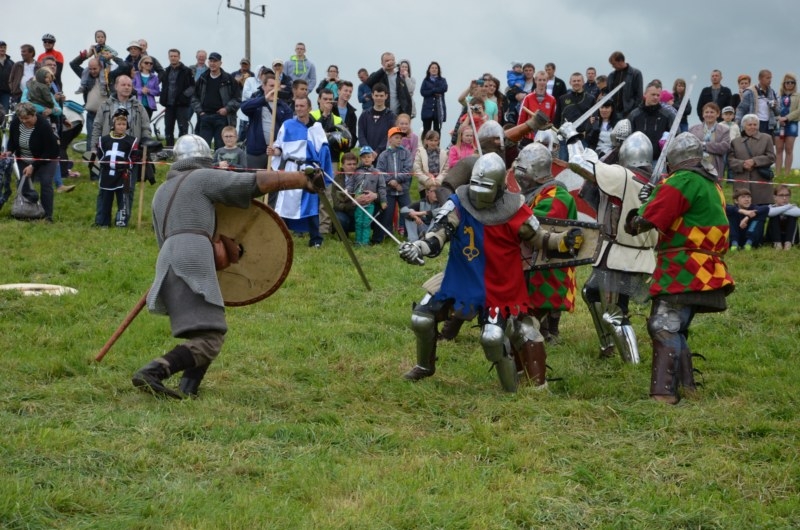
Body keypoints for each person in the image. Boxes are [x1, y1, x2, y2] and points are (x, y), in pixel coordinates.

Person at [131, 134, 321, 398]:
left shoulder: (161, 192)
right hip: (193, 254)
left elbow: (161, 237)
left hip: (167, 257)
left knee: (206, 329)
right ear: (204, 158)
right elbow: (250, 183)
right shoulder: (202, 177)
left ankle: (189, 389)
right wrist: (301, 180)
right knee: (212, 338)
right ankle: (154, 371)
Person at [398, 152, 584, 391]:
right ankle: (425, 366)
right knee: (421, 318)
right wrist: (418, 247)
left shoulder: (515, 207)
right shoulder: (458, 202)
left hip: (499, 283)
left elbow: (539, 238)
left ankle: (511, 389)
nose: (478, 194)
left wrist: (563, 241)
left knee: (493, 338)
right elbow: (438, 235)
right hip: (461, 277)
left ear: (499, 187)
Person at [624, 133, 734, 404]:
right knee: (676, 325)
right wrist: (656, 194)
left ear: (672, 160)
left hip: (685, 265)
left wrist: (640, 211)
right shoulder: (710, 183)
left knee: (663, 324)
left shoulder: (683, 180)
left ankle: (663, 394)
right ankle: (687, 387)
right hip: (705, 265)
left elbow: (643, 222)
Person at [564, 127, 658, 362]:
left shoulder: (622, 176)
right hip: (624, 253)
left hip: (621, 256)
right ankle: (607, 346)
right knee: (591, 293)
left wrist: (572, 137)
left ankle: (632, 365)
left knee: (615, 314)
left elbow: (578, 164)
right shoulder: (651, 181)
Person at [513, 143, 578, 344]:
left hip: (551, 258)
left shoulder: (556, 194)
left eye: (523, 170)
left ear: (535, 170)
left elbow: (539, 222)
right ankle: (545, 329)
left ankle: (550, 331)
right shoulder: (537, 192)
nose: (519, 175)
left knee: (545, 295)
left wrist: (512, 215)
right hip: (534, 256)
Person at [267, 96, 333, 248]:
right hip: (291, 169)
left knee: (311, 204)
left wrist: (322, 170)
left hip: (309, 170)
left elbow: (324, 150)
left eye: (302, 106)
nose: (298, 109)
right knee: (284, 204)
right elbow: (280, 147)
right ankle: (280, 237)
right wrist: (274, 151)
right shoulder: (287, 125)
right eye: (296, 106)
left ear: (309, 108)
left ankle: (315, 239)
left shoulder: (316, 128)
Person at [4, 102, 59, 221]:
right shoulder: (15, 123)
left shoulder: (44, 126)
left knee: (46, 183)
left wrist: (33, 166)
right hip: (24, 158)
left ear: (34, 114)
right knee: (23, 184)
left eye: (27, 118)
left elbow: (50, 150)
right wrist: (9, 151)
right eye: (21, 118)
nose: (24, 121)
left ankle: (47, 216)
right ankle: (26, 212)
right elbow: (12, 141)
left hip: (46, 159)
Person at [240, 70, 292, 172]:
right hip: (256, 152)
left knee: (273, 181)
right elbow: (244, 107)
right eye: (271, 86)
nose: (274, 89)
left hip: (275, 152)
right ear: (263, 86)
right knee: (254, 179)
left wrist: (278, 149)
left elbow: (287, 130)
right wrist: (264, 99)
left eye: (276, 86)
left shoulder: (284, 107)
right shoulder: (256, 101)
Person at [95, 109, 138, 227]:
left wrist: (127, 166)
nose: (121, 127)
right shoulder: (104, 140)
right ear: (113, 124)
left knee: (124, 199)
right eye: (119, 124)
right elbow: (100, 154)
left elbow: (133, 157)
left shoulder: (131, 141)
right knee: (105, 199)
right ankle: (103, 222)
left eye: (124, 124)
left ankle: (121, 222)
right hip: (107, 174)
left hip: (124, 175)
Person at [191, 52, 241, 151]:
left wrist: (227, 109)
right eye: (210, 61)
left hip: (222, 118)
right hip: (205, 117)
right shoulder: (202, 78)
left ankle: (219, 162)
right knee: (203, 148)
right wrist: (200, 111)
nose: (212, 63)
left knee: (221, 148)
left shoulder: (229, 79)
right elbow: (194, 97)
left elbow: (237, 99)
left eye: (215, 61)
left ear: (220, 63)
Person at [728, 114, 776, 206]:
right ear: (744, 126)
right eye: (749, 125)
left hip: (761, 183)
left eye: (755, 124)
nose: (752, 127)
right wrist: (742, 164)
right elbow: (730, 160)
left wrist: (754, 161)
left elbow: (771, 157)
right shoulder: (735, 142)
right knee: (742, 210)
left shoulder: (767, 138)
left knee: (761, 210)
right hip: (742, 182)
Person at [375, 126, 412, 242]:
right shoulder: (383, 155)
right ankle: (386, 236)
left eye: (400, 138)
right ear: (389, 139)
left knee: (407, 211)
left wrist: (397, 181)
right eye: (396, 137)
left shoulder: (406, 153)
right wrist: (391, 182)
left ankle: (409, 235)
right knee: (387, 213)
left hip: (403, 189)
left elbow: (408, 170)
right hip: (389, 190)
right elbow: (380, 171)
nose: (399, 140)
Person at [348, 147, 386, 246]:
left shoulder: (377, 172)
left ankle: (365, 242)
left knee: (366, 222)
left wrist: (383, 201)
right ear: (360, 158)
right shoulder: (356, 172)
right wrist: (348, 192)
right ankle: (358, 241)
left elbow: (382, 188)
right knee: (359, 221)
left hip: (370, 203)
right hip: (358, 203)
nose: (366, 159)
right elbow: (351, 184)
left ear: (373, 158)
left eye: (369, 157)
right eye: (364, 157)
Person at [628, 83, 674, 163]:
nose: (656, 97)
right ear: (645, 94)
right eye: (653, 94)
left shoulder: (667, 115)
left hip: (659, 160)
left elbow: (675, 134)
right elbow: (628, 137)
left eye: (658, 95)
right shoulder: (634, 115)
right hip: (637, 160)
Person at [158, 49, 195, 147]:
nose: (173, 58)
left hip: (182, 105)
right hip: (169, 105)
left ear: (179, 57)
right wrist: (163, 95)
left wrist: (184, 96)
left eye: (175, 56)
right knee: (168, 128)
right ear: (168, 57)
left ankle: (182, 149)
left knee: (183, 128)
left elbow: (193, 87)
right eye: (171, 56)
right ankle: (169, 149)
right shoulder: (166, 71)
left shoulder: (187, 71)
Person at [689, 103, 730, 181]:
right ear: (703, 114)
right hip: (696, 167)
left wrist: (704, 145)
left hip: (715, 167)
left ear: (718, 114)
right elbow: (689, 147)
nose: (709, 114)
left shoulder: (724, 130)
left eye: (712, 112)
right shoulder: (692, 129)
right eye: (706, 112)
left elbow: (724, 147)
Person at [366, 52, 412, 116]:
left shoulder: (399, 77)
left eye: (392, 60)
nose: (390, 62)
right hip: (382, 115)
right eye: (387, 61)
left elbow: (407, 98)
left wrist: (407, 115)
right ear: (382, 63)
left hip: (398, 116)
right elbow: (369, 83)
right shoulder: (379, 76)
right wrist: (383, 69)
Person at [516, 70, 556, 144]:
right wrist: (519, 133)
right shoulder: (528, 98)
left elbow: (552, 118)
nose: (542, 82)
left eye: (544, 80)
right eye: (540, 80)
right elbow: (522, 117)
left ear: (547, 81)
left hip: (544, 137)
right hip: (529, 135)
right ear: (535, 80)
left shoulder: (552, 99)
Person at [735, 70, 778, 134]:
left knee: (767, 140)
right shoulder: (750, 92)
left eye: (770, 78)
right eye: (767, 78)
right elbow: (742, 108)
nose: (770, 80)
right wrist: (737, 122)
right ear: (760, 79)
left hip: (769, 124)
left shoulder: (771, 92)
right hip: (755, 123)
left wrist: (775, 106)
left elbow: (778, 111)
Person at [357, 83, 395, 155]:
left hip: (384, 156)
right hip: (366, 156)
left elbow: (390, 136)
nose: (379, 98)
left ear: (386, 96)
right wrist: (368, 150)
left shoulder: (391, 116)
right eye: (376, 95)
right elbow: (361, 135)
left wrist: (378, 151)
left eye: (381, 96)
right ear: (372, 95)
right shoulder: (364, 115)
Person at [606, 51, 644, 120]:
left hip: (628, 112)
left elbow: (639, 95)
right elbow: (608, 92)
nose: (612, 66)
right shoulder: (611, 75)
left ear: (620, 61)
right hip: (613, 113)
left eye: (614, 64)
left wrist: (633, 110)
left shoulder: (636, 74)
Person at [412, 129, 449, 199]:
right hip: (424, 186)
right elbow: (417, 169)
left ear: (438, 141)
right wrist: (427, 180)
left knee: (440, 203)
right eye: (431, 140)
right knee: (425, 203)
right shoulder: (420, 152)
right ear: (426, 141)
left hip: (439, 185)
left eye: (435, 140)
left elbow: (446, 170)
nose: (433, 143)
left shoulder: (444, 153)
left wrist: (438, 181)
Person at [775, 72, 799, 176]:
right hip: (779, 124)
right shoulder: (778, 95)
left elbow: (799, 110)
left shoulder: (798, 96)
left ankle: (787, 175)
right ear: (783, 83)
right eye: (787, 82)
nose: (789, 84)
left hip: (792, 124)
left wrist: (787, 118)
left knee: (789, 149)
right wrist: (778, 118)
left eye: (792, 82)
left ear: (795, 84)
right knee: (779, 149)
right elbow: (773, 109)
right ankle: (777, 174)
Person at [766, 184, 800, 250]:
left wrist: (781, 209)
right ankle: (777, 243)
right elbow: (769, 213)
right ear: (775, 197)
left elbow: (798, 213)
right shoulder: (771, 207)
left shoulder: (793, 207)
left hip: (789, 237)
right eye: (781, 195)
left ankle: (788, 243)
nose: (784, 198)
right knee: (774, 216)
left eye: (787, 195)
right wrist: (787, 207)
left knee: (792, 216)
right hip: (774, 237)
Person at [420, 61, 447, 136]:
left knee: (437, 131)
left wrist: (431, 90)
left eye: (436, 68)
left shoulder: (442, 80)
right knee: (426, 131)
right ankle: (425, 143)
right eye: (432, 68)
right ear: (429, 70)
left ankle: (437, 143)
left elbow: (444, 88)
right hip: (427, 110)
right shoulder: (425, 80)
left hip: (438, 110)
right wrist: (434, 91)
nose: (434, 69)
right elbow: (423, 92)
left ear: (438, 70)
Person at [0, 40, 14, 112]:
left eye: (4, 47)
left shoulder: (11, 63)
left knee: (4, 111)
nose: (3, 49)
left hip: (6, 92)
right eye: (1, 47)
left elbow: (14, 77)